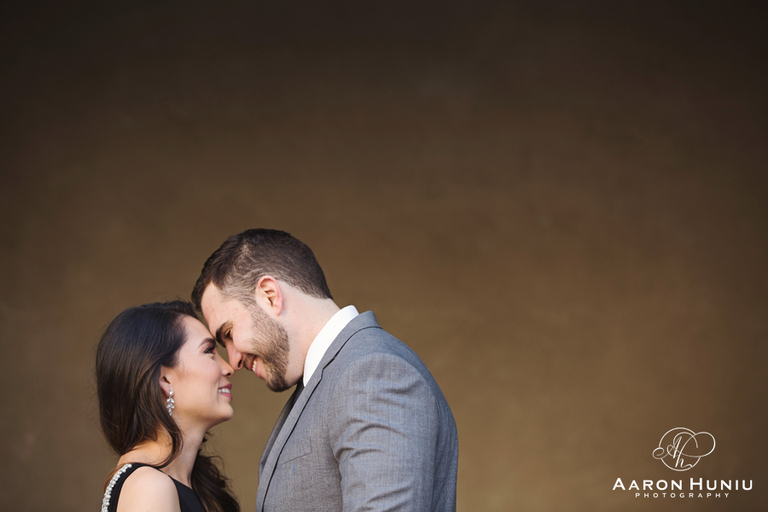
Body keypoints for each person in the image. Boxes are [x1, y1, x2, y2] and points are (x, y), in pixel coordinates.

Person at [191, 229, 459, 512]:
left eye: (229, 333)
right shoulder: (333, 377)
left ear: (270, 296)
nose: (232, 360)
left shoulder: (373, 373)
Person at [96, 300, 240, 512]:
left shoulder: (190, 486)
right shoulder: (150, 487)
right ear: (164, 378)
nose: (228, 368)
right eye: (209, 351)